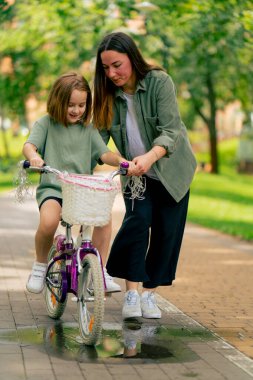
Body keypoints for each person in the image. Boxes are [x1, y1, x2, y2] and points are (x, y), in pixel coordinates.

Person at [92, 32, 197, 319]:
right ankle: (131, 294)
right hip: (135, 175)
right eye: (105, 68)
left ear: (132, 58)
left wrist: (150, 157)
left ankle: (149, 294)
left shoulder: (158, 82)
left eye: (117, 65)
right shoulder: (106, 96)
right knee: (137, 222)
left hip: (172, 170)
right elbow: (96, 142)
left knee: (166, 232)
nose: (111, 73)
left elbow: (171, 131)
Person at [22, 72, 133, 294]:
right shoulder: (46, 124)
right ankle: (40, 264)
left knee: (103, 219)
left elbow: (104, 154)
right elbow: (29, 145)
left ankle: (99, 271)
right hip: (54, 188)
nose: (76, 110)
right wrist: (34, 156)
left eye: (81, 105)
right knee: (48, 221)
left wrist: (121, 162)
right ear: (57, 101)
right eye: (70, 105)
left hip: (81, 191)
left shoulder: (88, 130)